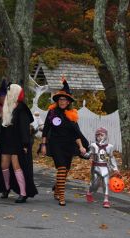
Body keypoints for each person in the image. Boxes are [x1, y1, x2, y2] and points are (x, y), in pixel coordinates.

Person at [40, 77, 87, 206]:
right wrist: (43, 145)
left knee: (65, 171)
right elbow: (45, 129)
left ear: (68, 102)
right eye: (60, 99)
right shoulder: (52, 112)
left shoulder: (72, 115)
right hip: (55, 144)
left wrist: (81, 146)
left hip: (69, 145)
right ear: (57, 100)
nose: (62, 101)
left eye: (64, 99)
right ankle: (61, 196)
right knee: (61, 168)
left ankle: (57, 189)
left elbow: (76, 133)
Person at [0, 84, 38, 203]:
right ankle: (6, 188)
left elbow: (24, 128)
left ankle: (23, 193)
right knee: (4, 165)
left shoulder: (22, 109)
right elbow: (3, 126)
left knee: (16, 166)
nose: (7, 94)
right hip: (6, 141)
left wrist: (25, 144)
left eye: (10, 92)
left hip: (17, 142)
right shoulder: (7, 107)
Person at [84, 127, 120, 208]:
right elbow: (88, 154)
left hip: (105, 167)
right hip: (96, 167)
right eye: (98, 135)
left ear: (106, 136)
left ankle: (106, 200)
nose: (100, 137)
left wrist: (115, 169)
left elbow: (111, 158)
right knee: (95, 185)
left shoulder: (109, 147)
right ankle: (89, 192)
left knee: (106, 183)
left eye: (102, 135)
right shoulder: (93, 145)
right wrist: (82, 152)